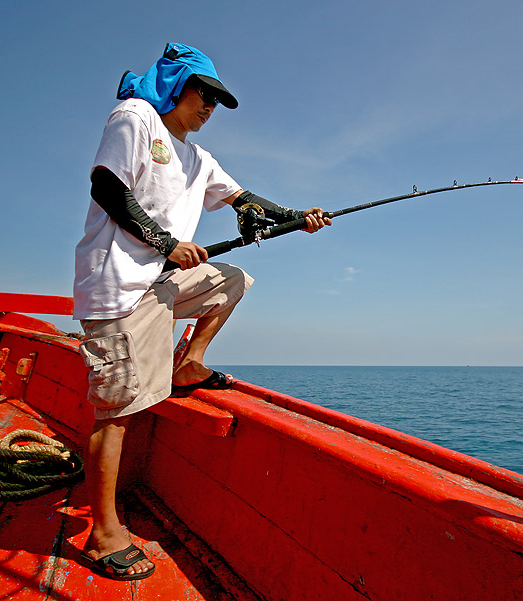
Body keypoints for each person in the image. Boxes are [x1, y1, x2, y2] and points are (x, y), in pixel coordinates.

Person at [72, 43, 331, 581]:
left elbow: (247, 204)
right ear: (176, 85)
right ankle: (102, 532)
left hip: (163, 282)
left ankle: (188, 363)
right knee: (116, 411)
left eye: (217, 99)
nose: (210, 106)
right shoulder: (136, 117)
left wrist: (297, 216)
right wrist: (164, 242)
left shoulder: (198, 159)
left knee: (231, 280)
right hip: (121, 287)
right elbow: (106, 186)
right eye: (203, 92)